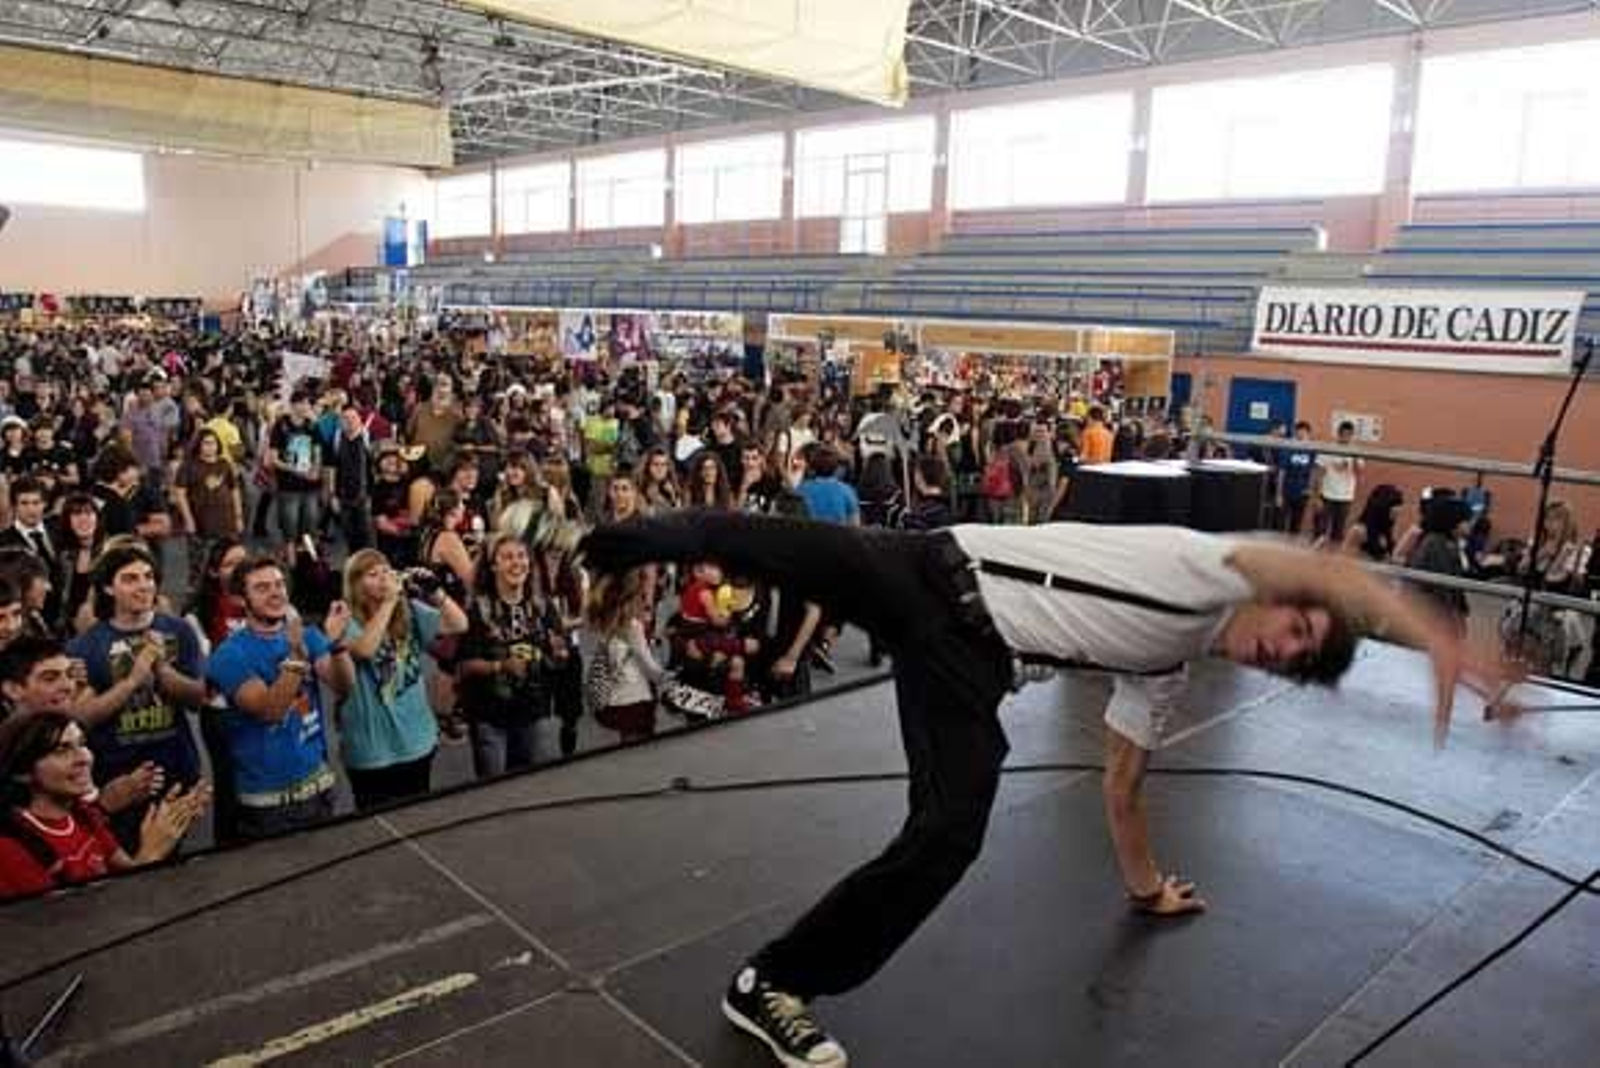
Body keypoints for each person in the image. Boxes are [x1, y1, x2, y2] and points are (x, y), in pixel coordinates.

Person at [574, 510, 1499, 1068]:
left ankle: (771, 982)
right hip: (928, 566)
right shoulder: (1204, 568)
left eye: (1294, 660)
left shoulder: (1166, 665)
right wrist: (1435, 635)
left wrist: (1146, 889)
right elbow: (1321, 566)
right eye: (1298, 626)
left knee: (950, 833)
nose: (1281, 646)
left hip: (965, 661)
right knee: (745, 541)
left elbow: (1124, 781)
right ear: (1285, 597)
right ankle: (610, 547)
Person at [67, 541, 208, 849]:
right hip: (117, 777)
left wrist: (162, 672)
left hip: (176, 769)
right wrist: (131, 682)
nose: (144, 585)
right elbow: (80, 719)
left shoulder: (179, 630)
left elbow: (198, 700)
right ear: (108, 588)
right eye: (130, 579)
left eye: (148, 576)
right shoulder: (86, 645)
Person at [205, 556, 355, 841]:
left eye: (279, 584)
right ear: (240, 599)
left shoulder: (307, 635)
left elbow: (344, 686)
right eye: (262, 588)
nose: (275, 593)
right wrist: (297, 656)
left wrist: (337, 643)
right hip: (268, 805)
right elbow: (269, 710)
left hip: (320, 787)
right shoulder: (228, 655)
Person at [0, 711, 211, 900]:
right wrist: (152, 852)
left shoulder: (84, 814)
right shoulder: (10, 848)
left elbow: (129, 872)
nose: (83, 758)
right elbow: (72, 927)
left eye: (81, 743)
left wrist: (168, 826)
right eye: (62, 750)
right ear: (23, 772)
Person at [334, 549, 468, 810]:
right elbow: (364, 649)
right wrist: (388, 603)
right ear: (355, 584)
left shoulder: (408, 610)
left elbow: (459, 624)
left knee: (417, 814)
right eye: (373, 574)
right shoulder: (345, 619)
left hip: (416, 738)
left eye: (386, 571)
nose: (384, 578)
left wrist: (436, 593)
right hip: (372, 748)